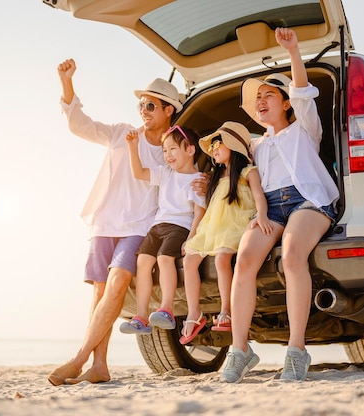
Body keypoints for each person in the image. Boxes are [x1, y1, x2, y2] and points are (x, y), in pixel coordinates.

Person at [47, 58, 183, 385]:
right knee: (99, 292)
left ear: (169, 110)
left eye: (151, 105)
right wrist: (67, 84)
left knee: (119, 280)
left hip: (140, 228)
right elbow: (80, 125)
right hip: (105, 222)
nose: (143, 110)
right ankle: (100, 366)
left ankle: (78, 358)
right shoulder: (123, 133)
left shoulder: (171, 151)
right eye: (141, 104)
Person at [219, 27, 339, 383]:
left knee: (290, 256)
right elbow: (224, 155)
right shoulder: (256, 145)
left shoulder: (305, 127)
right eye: (257, 98)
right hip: (269, 208)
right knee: (244, 262)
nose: (260, 101)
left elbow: (302, 91)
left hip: (308, 201)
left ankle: (296, 350)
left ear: (284, 102)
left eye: (268, 94)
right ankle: (240, 350)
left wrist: (293, 52)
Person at [180, 122, 270, 345]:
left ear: (234, 145)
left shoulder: (248, 171)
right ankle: (194, 313)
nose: (213, 149)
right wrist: (192, 235)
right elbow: (204, 208)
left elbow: (258, 195)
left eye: (218, 143)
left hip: (236, 223)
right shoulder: (214, 177)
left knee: (222, 259)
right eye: (212, 146)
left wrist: (262, 215)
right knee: (189, 260)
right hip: (213, 227)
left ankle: (226, 311)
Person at [118, 126, 206, 335]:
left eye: (173, 149)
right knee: (143, 262)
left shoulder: (198, 179)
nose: (167, 155)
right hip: (158, 226)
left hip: (180, 226)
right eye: (165, 151)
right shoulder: (166, 173)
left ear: (190, 150)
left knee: (164, 259)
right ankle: (141, 317)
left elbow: (199, 212)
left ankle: (166, 309)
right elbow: (138, 172)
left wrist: (191, 239)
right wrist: (133, 147)